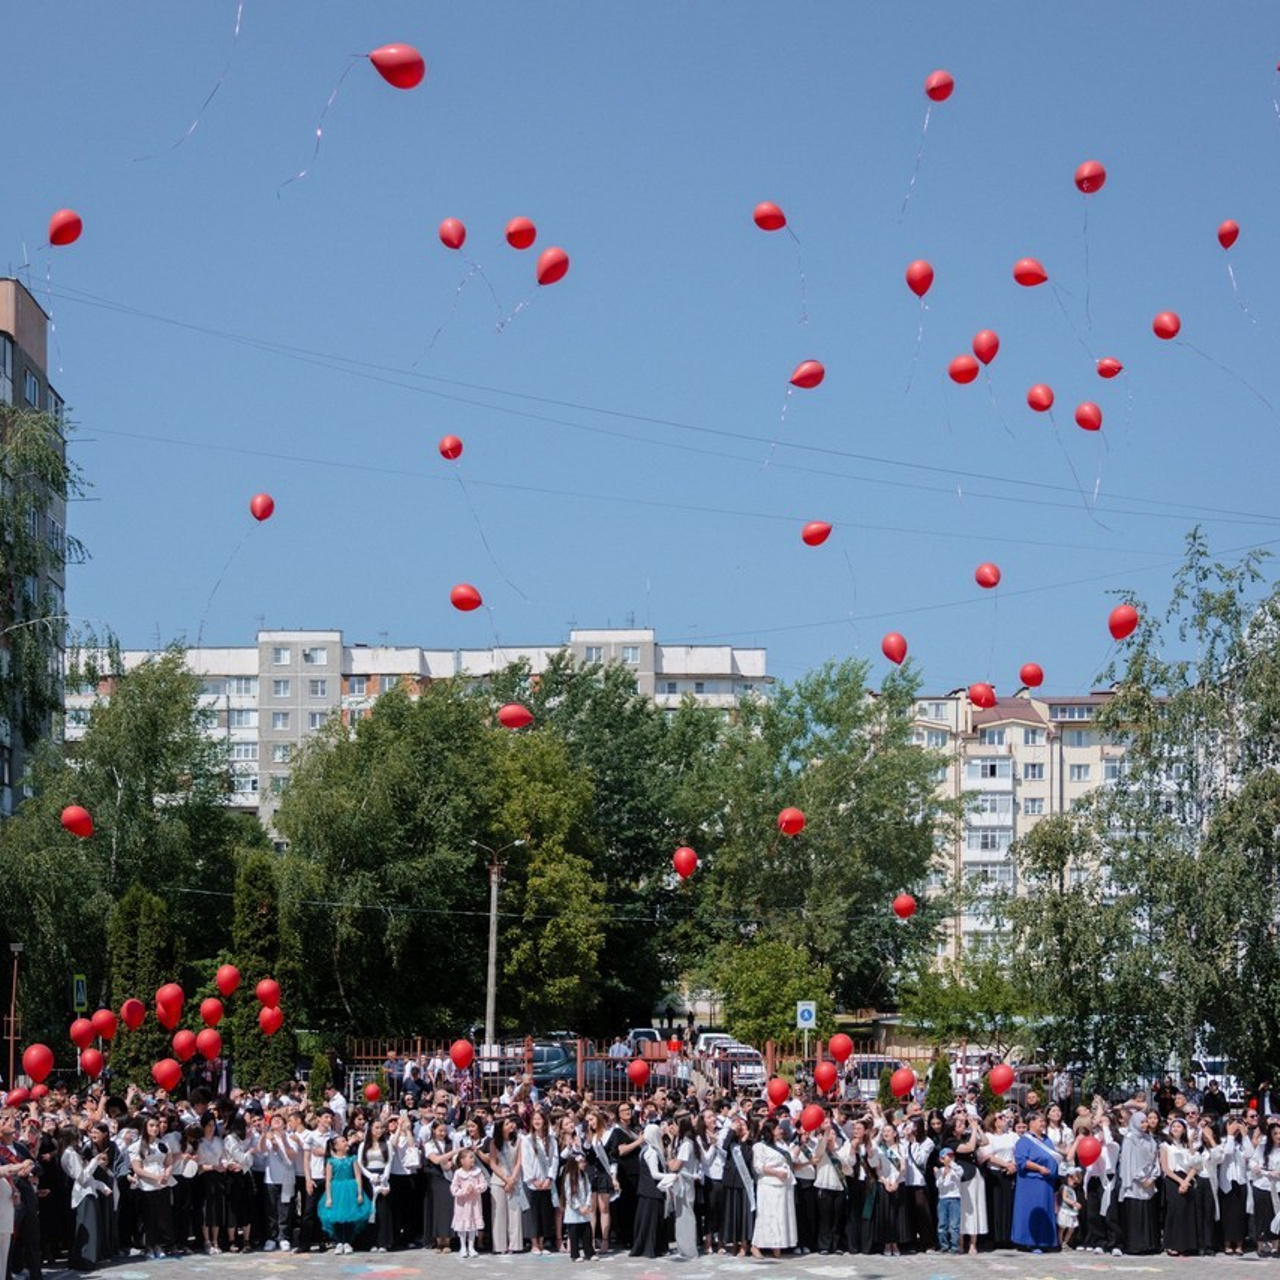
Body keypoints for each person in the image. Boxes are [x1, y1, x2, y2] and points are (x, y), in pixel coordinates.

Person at [1011, 1111, 1059, 1253]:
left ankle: (1044, 1241)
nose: (1043, 1124)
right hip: (1030, 1182)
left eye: (1044, 1121)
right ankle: (1029, 1242)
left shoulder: (1047, 1140)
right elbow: (1021, 1161)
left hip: (1046, 1182)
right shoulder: (1024, 1141)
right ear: (1031, 1123)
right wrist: (1038, 1168)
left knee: (1045, 1209)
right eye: (1040, 1121)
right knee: (1030, 1210)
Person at [1117, 1110, 1159, 1255]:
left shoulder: (1150, 1139)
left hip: (1149, 1182)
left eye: (1145, 1121)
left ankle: (1148, 1244)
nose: (1144, 1124)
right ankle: (1135, 1245)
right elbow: (1129, 1163)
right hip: (1135, 1184)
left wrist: (1153, 1177)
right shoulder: (1129, 1139)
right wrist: (1141, 1179)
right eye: (1141, 1121)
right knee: (1136, 1213)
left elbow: (1155, 1160)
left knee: (1147, 1213)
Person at [317, 1133, 366, 1254]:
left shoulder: (352, 1159)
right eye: (343, 1141)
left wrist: (359, 1193)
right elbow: (328, 1180)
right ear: (336, 1146)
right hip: (336, 1190)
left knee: (349, 1216)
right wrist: (328, 1197)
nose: (346, 1143)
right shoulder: (331, 1161)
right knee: (337, 1216)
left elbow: (358, 1176)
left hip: (350, 1188)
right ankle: (339, 1241)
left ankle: (348, 1242)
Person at [521, 1110, 558, 1255]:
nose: (537, 1121)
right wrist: (533, 1179)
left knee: (545, 1212)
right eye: (534, 1119)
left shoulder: (552, 1139)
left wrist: (549, 1178)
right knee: (533, 1213)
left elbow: (555, 1159)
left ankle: (542, 1243)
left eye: (540, 1119)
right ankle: (534, 1244)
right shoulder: (527, 1139)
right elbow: (525, 1160)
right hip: (533, 1181)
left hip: (547, 1181)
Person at [630, 1124, 667, 1258]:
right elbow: (655, 1174)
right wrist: (672, 1176)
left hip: (647, 1191)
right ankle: (649, 1247)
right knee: (650, 1221)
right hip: (651, 1191)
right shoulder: (651, 1152)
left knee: (648, 1220)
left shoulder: (648, 1150)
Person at [1218, 1114, 1252, 1255]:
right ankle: (1227, 1243)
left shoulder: (1243, 1142)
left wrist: (1245, 1136)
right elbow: (1226, 1152)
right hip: (1226, 1182)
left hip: (1240, 1182)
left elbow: (1250, 1153)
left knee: (1239, 1215)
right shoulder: (1222, 1141)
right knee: (1227, 1214)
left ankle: (1239, 1243)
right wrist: (1230, 1135)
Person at [358, 1117, 394, 1254]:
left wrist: (384, 1177)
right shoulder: (363, 1145)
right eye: (376, 1128)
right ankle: (370, 1242)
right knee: (370, 1211)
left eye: (381, 1128)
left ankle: (383, 1242)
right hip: (369, 1179)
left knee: (383, 1210)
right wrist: (369, 1176)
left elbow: (389, 1162)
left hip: (382, 1178)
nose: (379, 1130)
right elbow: (360, 1163)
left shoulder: (387, 1143)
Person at [667, 1114, 699, 1259]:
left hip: (684, 1182)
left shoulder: (687, 1144)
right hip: (681, 1181)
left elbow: (675, 1165)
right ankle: (683, 1246)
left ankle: (688, 1248)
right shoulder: (682, 1142)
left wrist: (670, 1161)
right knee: (680, 1215)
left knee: (686, 1214)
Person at [423, 1119, 456, 1253]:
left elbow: (455, 1157)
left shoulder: (451, 1143)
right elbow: (435, 1159)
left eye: (444, 1130)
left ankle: (447, 1240)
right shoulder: (429, 1144)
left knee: (448, 1208)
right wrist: (446, 1160)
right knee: (436, 1209)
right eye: (440, 1130)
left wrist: (452, 1163)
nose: (442, 1133)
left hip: (449, 1177)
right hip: (435, 1177)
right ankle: (437, 1241)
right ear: (434, 1131)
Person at [559, 1146, 595, 1262]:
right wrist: (579, 1207)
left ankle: (589, 1252)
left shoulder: (585, 1176)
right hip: (574, 1211)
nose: (584, 1164)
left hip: (584, 1210)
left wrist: (588, 1204)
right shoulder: (569, 1177)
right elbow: (570, 1195)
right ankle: (575, 1254)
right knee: (573, 1234)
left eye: (584, 1162)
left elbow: (589, 1191)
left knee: (587, 1232)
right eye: (581, 1162)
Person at [449, 1146, 486, 1259]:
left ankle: (471, 1247)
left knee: (472, 1225)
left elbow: (484, 1185)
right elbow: (453, 1188)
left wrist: (475, 1188)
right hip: (462, 1204)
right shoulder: (458, 1173)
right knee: (462, 1225)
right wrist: (464, 1191)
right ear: (462, 1160)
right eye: (470, 1157)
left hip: (474, 1203)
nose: (472, 1160)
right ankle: (463, 1247)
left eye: (473, 1157)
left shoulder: (478, 1172)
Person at [1250, 1119, 1280, 1257]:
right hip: (1262, 1185)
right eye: (1275, 1134)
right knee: (1261, 1216)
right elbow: (1252, 1160)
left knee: (1276, 1216)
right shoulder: (1263, 1148)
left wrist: (1269, 1172)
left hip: (1277, 1187)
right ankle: (1261, 1245)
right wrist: (1255, 1167)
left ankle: (1275, 1246)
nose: (1278, 1136)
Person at [934, 1148, 961, 1254]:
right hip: (943, 1199)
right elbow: (938, 1185)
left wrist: (952, 1165)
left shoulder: (957, 1169)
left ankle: (954, 1246)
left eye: (952, 1156)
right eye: (947, 1156)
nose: (950, 1158)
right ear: (941, 1159)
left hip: (955, 1198)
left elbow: (961, 1172)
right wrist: (944, 1175)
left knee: (954, 1225)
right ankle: (944, 1245)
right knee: (942, 1224)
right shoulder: (940, 1171)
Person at [1058, 1170, 1081, 1249]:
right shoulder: (1065, 1187)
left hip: (1071, 1211)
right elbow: (1065, 1198)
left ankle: (1065, 1242)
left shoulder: (1072, 1189)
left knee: (1072, 1228)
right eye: (1074, 1182)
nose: (1074, 1185)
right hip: (1065, 1210)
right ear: (1068, 1178)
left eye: (1076, 1184)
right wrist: (1074, 1203)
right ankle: (1060, 1243)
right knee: (1062, 1227)